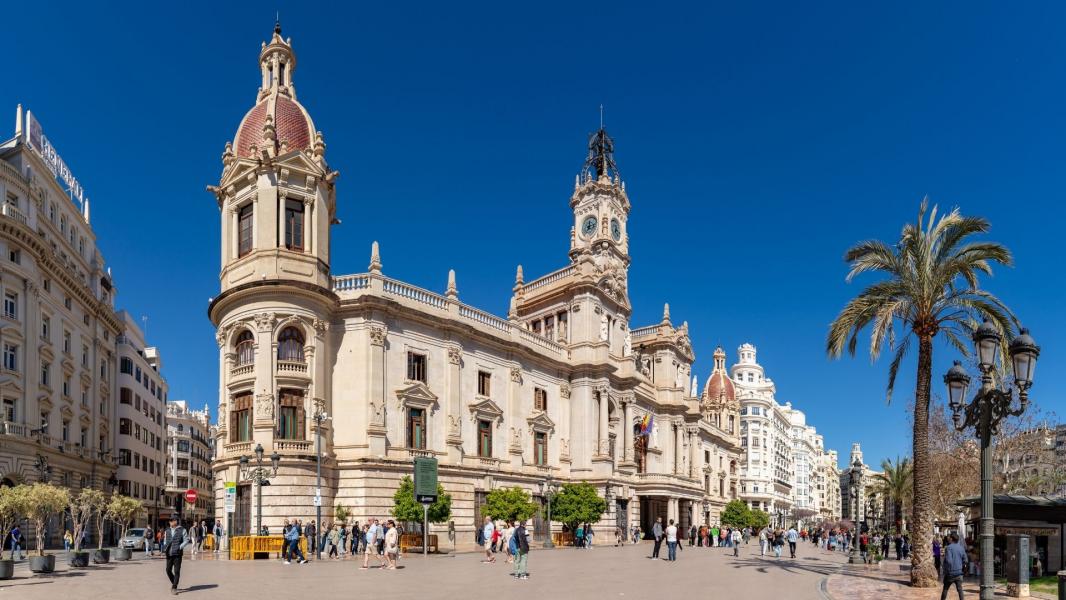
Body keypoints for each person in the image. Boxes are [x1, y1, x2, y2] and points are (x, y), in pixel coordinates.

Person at [162, 517, 190, 596]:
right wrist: (165, 547)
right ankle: (174, 581)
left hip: (177, 554)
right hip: (169, 554)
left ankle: (174, 587)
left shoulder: (182, 530)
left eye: (172, 521)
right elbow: (165, 540)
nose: (170, 522)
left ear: (175, 521)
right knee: (168, 570)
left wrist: (180, 547)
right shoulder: (167, 530)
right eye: (170, 521)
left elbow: (186, 540)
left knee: (177, 571)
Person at [940, 533, 967, 600]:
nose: (948, 539)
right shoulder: (961, 548)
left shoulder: (948, 548)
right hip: (959, 573)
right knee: (960, 590)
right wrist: (960, 567)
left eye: (949, 537)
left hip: (950, 573)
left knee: (945, 589)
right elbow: (965, 560)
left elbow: (949, 561)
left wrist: (945, 569)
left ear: (951, 539)